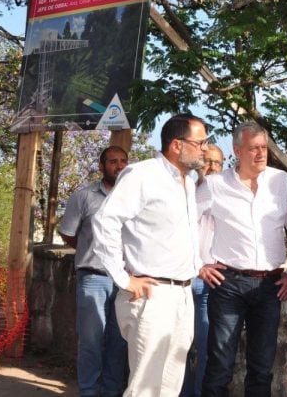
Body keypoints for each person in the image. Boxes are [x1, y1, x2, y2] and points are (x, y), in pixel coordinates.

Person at [93, 113, 207, 396]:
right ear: (177, 145)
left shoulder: (189, 183)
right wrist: (123, 278)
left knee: (170, 385)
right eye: (200, 142)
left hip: (182, 294)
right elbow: (105, 221)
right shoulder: (143, 174)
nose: (205, 149)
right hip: (152, 296)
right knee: (145, 386)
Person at [199, 121, 287, 397]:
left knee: (262, 367)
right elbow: (188, 223)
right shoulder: (215, 184)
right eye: (253, 148)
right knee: (220, 364)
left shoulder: (280, 182)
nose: (261, 153)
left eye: (264, 147)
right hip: (228, 283)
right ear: (237, 150)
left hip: (270, 285)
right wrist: (200, 264)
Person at [59, 145, 129, 397]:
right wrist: (90, 248)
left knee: (119, 342)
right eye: (112, 161)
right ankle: (89, 392)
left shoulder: (135, 198)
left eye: (123, 161)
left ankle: (111, 392)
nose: (118, 166)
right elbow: (68, 234)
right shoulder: (84, 197)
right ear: (101, 166)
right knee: (90, 342)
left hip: (126, 281)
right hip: (94, 278)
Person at [182, 144, 225, 397]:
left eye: (217, 163)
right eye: (206, 162)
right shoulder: (185, 193)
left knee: (208, 348)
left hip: (212, 283)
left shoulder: (230, 197)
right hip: (185, 279)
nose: (211, 167)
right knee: (180, 347)